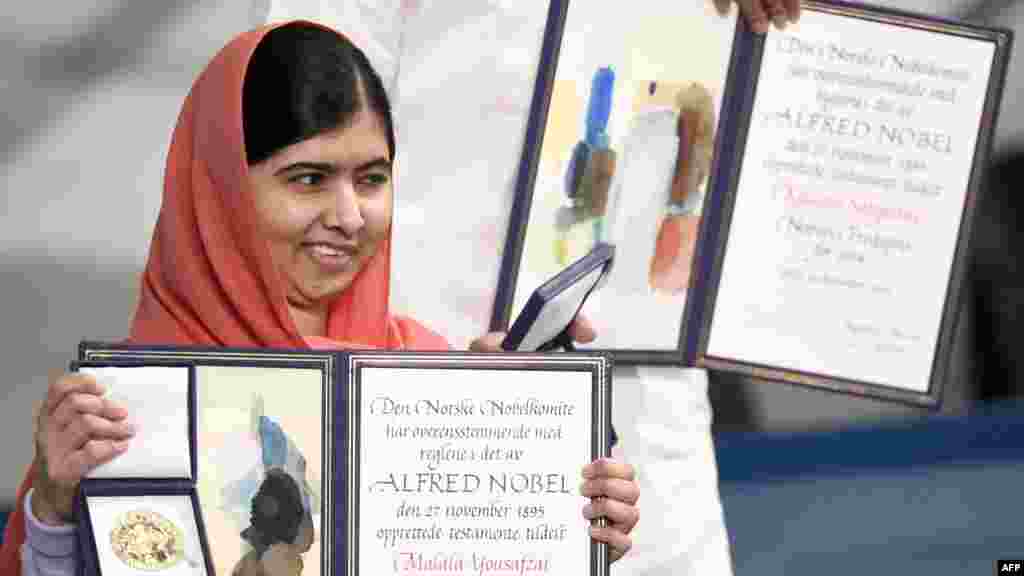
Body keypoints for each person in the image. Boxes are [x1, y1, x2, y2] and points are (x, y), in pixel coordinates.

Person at [3, 21, 639, 575]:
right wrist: (54, 515)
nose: (348, 216)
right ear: (220, 192)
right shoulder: (111, 420)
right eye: (308, 179)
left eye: (372, 179)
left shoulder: (431, 376)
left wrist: (552, 507)